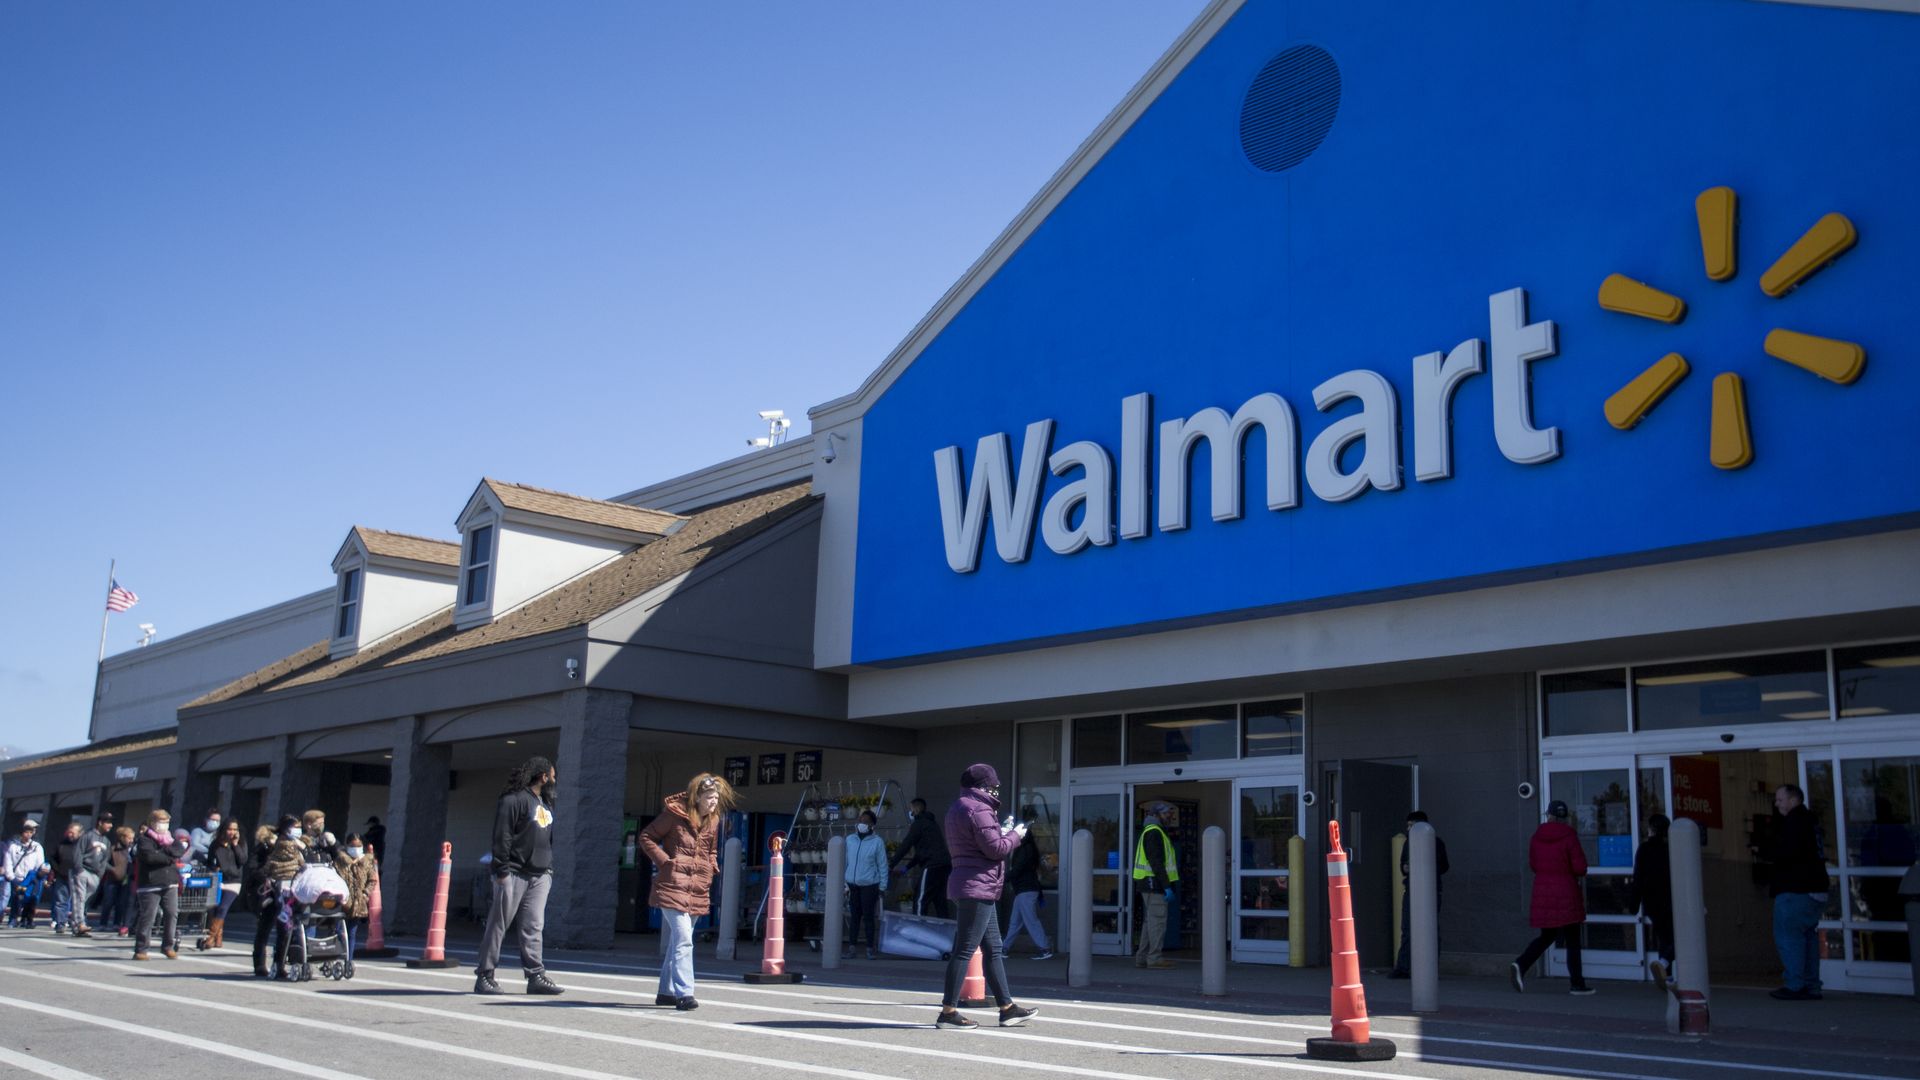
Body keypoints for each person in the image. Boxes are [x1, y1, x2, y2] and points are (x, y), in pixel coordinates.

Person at [934, 763, 1037, 1030]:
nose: (995, 789)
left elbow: (978, 843)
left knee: (994, 949)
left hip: (971, 884)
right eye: (993, 785)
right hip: (977, 886)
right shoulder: (979, 808)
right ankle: (948, 1012)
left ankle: (1007, 1008)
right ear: (983, 786)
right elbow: (995, 850)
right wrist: (1015, 836)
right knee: (965, 950)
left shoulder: (958, 807)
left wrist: (1001, 831)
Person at [641, 772, 737, 1009]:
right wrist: (664, 861)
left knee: (678, 941)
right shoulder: (674, 815)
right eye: (709, 797)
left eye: (716, 797)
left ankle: (665, 991)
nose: (714, 802)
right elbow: (647, 837)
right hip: (671, 886)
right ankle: (685, 993)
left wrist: (711, 864)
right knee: (684, 941)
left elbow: (712, 848)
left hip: (697, 887)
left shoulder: (714, 821)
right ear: (697, 797)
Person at [474, 756, 564, 997]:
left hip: (540, 875)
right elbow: (501, 837)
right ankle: (485, 975)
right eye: (553, 776)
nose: (555, 780)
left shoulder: (544, 803)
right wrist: (501, 871)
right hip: (512, 872)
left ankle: (535, 975)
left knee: (534, 926)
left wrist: (548, 870)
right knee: (498, 924)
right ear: (543, 776)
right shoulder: (513, 800)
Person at [1510, 800, 1594, 995]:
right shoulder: (1569, 835)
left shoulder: (1536, 837)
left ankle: (1521, 964)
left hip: (1543, 892)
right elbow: (1580, 868)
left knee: (1547, 936)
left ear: (1548, 815)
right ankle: (1577, 984)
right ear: (1565, 817)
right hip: (1566, 892)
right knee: (1572, 939)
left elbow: (1534, 865)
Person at [1757, 784, 1830, 1001]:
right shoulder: (1811, 822)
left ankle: (1795, 984)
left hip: (1796, 889)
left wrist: (1762, 850)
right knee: (1807, 937)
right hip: (1816, 889)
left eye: (1780, 799)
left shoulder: (1794, 823)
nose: (1776, 803)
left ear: (1793, 800)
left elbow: (1784, 852)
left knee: (1789, 937)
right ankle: (1811, 985)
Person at [1390, 810, 1450, 978]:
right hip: (1420, 889)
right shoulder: (1411, 843)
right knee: (1416, 928)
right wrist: (1406, 868)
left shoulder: (1434, 843)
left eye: (1412, 825)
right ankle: (1412, 968)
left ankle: (1409, 967)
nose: (1409, 829)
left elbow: (1443, 866)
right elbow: (1403, 865)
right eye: (1408, 826)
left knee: (1419, 929)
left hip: (1423, 889)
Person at [132, 809, 189, 961]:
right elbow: (150, 857)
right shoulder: (145, 839)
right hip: (150, 884)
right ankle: (141, 949)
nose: (164, 825)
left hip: (170, 882)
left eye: (166, 822)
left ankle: (168, 946)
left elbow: (179, 850)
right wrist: (168, 857)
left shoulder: (170, 838)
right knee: (148, 917)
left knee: (172, 914)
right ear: (152, 823)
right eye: (160, 822)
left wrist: (165, 854)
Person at [1132, 801, 1178, 970]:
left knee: (1150, 922)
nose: (1170, 816)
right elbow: (1156, 862)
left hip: (1150, 883)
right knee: (1157, 922)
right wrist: (1166, 886)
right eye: (1167, 813)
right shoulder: (1154, 833)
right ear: (1157, 815)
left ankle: (1143, 958)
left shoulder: (1153, 832)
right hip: (1154, 884)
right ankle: (1155, 958)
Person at [1630, 814, 1673, 990]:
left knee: (1664, 936)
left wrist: (1634, 902)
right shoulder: (1670, 849)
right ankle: (1664, 965)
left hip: (1652, 900)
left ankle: (1667, 977)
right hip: (1671, 899)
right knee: (1676, 936)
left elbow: (1638, 876)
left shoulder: (1645, 849)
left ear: (1652, 829)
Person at [1003, 807, 1053, 960]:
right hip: (1025, 889)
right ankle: (1003, 949)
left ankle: (1044, 948)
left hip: (1025, 889)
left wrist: (1003, 879)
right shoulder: (1028, 849)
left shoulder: (1024, 850)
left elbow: (1018, 869)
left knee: (1028, 920)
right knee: (1016, 921)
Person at [892, 797, 952, 918]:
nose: (911, 812)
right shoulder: (932, 824)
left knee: (919, 900)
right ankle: (946, 934)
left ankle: (918, 932)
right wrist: (905, 868)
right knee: (940, 901)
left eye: (911, 809)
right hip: (944, 866)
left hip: (932, 866)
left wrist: (890, 864)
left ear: (917, 809)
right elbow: (921, 854)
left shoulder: (918, 824)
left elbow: (906, 845)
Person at [844, 809, 888, 960]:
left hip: (870, 885)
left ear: (872, 825)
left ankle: (870, 948)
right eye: (861, 820)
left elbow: (882, 865)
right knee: (854, 917)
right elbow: (845, 862)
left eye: (866, 821)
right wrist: (844, 882)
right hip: (852, 884)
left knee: (868, 917)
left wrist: (882, 887)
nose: (862, 823)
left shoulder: (877, 842)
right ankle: (852, 948)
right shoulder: (850, 839)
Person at [203, 819, 249, 948]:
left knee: (223, 907)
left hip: (234, 881)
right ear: (224, 830)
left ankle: (211, 937)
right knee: (216, 908)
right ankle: (218, 938)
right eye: (230, 829)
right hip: (219, 879)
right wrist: (214, 868)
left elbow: (243, 860)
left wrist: (235, 845)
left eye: (235, 829)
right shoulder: (216, 844)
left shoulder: (241, 843)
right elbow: (210, 862)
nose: (232, 832)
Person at [334, 832, 376, 960]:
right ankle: (334, 956)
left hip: (358, 903)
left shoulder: (366, 862)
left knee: (352, 933)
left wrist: (365, 894)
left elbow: (372, 880)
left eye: (358, 846)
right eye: (352, 846)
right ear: (347, 845)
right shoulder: (340, 860)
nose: (355, 849)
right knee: (339, 931)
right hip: (342, 902)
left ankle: (348, 959)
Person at [245, 823, 280, 976]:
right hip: (266, 895)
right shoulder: (261, 850)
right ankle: (259, 965)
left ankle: (279, 964)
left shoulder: (283, 850)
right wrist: (268, 875)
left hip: (281, 892)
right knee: (263, 930)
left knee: (283, 931)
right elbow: (253, 870)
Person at [70, 816, 112, 938]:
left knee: (85, 901)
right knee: (79, 898)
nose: (110, 826)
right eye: (108, 822)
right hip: (83, 871)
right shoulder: (87, 836)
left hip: (95, 874)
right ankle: (80, 924)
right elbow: (78, 852)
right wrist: (79, 869)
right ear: (100, 822)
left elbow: (105, 859)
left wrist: (100, 874)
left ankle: (76, 925)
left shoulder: (106, 841)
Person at [3, 819, 46, 927]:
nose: (28, 834)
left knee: (30, 899)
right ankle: (13, 919)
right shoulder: (13, 846)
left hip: (31, 878)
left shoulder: (37, 847)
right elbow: (8, 863)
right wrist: (12, 877)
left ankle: (26, 920)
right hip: (17, 877)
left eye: (31, 832)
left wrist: (42, 872)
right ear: (22, 832)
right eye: (26, 832)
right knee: (16, 899)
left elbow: (40, 863)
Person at [101, 825, 135, 935]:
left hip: (125, 879)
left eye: (132, 838)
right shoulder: (113, 849)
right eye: (129, 838)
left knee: (121, 903)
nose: (131, 840)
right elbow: (104, 862)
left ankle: (117, 923)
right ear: (122, 837)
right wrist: (113, 869)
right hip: (112, 879)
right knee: (108, 901)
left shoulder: (131, 850)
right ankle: (103, 923)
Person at [50, 822, 83, 934]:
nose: (70, 835)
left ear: (80, 833)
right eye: (69, 832)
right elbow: (53, 858)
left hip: (77, 876)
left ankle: (78, 924)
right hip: (62, 875)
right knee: (61, 901)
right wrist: (57, 870)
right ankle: (60, 923)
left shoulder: (82, 845)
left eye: (73, 833)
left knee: (78, 902)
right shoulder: (61, 843)